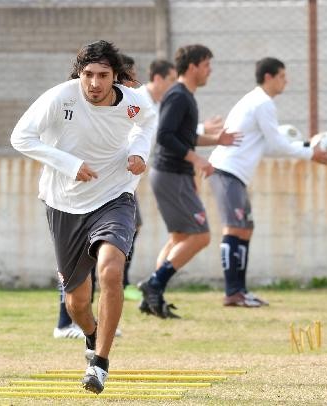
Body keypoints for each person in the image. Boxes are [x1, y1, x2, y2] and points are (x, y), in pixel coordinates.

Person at [11, 40, 156, 394]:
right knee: (76, 303)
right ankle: (91, 334)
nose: (94, 83)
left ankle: (100, 364)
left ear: (116, 77)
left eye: (103, 75)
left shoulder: (135, 103)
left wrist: (138, 153)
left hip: (114, 195)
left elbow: (146, 124)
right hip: (65, 204)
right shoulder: (60, 98)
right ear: (80, 74)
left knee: (110, 270)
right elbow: (20, 137)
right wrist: (69, 164)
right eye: (88, 74)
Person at [208, 57, 327, 307]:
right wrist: (311, 153)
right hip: (226, 171)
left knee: (245, 228)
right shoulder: (262, 102)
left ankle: (240, 291)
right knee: (234, 228)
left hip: (234, 175)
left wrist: (307, 147)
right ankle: (233, 292)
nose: (286, 81)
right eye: (283, 76)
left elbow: (269, 146)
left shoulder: (257, 101)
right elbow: (275, 144)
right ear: (269, 77)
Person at [138, 44, 239, 319]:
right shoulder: (179, 95)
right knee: (201, 235)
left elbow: (184, 137)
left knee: (180, 238)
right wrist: (197, 160)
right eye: (207, 65)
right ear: (193, 66)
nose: (210, 71)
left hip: (173, 174)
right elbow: (166, 136)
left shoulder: (185, 96)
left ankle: (153, 298)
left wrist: (217, 140)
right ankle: (154, 284)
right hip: (171, 173)